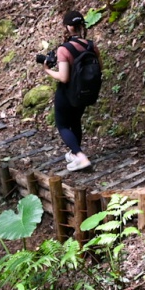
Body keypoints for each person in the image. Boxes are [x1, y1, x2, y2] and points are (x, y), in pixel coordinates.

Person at [39, 10, 98, 171]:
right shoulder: (91, 45)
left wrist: (47, 70)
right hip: (84, 92)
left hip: (67, 93)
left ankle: (81, 157)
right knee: (75, 122)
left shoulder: (64, 49)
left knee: (63, 125)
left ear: (68, 27)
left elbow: (64, 77)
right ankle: (75, 154)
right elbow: (100, 67)